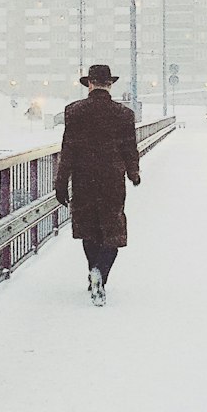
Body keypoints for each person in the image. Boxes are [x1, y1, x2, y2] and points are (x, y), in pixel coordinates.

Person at [53, 63, 141, 306]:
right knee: (112, 230)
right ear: (110, 85)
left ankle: (93, 268)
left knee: (89, 229)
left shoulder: (74, 112)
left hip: (83, 179)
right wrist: (133, 173)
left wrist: (61, 182)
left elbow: (68, 149)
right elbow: (129, 148)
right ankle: (101, 273)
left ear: (89, 84)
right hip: (112, 180)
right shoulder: (124, 115)